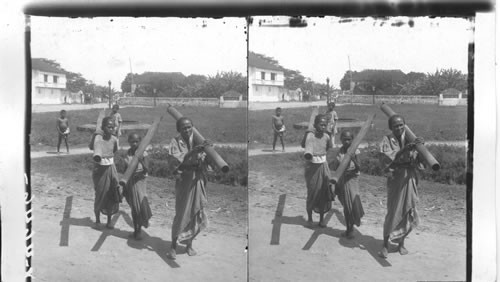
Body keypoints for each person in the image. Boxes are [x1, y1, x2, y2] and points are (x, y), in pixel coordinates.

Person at [378, 115, 425, 258]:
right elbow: (387, 160)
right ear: (390, 127)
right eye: (395, 126)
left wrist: (421, 147)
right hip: (396, 178)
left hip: (410, 177)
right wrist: (404, 150)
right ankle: (385, 245)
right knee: (393, 211)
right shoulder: (386, 140)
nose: (398, 128)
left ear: (405, 125)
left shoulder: (411, 138)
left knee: (408, 211)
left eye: (400, 125)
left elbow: (421, 161)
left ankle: (401, 243)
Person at [167, 117, 212, 260]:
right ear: (179, 129)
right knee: (181, 213)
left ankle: (189, 245)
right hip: (184, 181)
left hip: (197, 179)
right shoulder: (175, 142)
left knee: (195, 213)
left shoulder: (198, 140)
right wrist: (192, 153)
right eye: (183, 128)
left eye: (189, 127)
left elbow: (207, 161)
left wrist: (209, 150)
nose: (186, 130)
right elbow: (176, 163)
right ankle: (173, 247)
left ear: (193, 126)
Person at [330, 130, 364, 239]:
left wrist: (352, 157)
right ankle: (349, 229)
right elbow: (336, 166)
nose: (347, 141)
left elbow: (359, 167)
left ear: (352, 140)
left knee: (352, 205)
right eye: (344, 139)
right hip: (342, 180)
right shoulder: (340, 151)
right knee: (346, 206)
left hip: (351, 181)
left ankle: (351, 229)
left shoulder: (355, 151)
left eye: (349, 139)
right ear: (341, 140)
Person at [89, 117, 121, 230]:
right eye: (108, 126)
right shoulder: (98, 138)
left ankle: (108, 221)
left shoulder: (114, 139)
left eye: (113, 127)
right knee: (100, 194)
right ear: (103, 128)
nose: (111, 129)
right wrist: (94, 136)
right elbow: (90, 147)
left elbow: (115, 150)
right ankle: (97, 220)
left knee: (111, 194)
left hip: (110, 169)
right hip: (99, 170)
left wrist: (108, 158)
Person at [303, 114, 334, 227]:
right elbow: (304, 145)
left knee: (323, 193)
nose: (323, 126)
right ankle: (310, 218)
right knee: (312, 192)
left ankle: (321, 219)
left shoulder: (326, 136)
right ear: (315, 125)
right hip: (311, 167)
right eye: (321, 124)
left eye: (324, 125)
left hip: (323, 167)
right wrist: (306, 134)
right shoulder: (310, 136)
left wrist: (329, 134)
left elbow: (328, 147)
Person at [122, 133, 152, 240]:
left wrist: (140, 160)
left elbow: (147, 169)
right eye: (132, 141)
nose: (134, 143)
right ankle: (136, 230)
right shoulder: (128, 153)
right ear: (129, 142)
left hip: (140, 182)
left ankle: (139, 230)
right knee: (133, 207)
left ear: (140, 142)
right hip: (130, 182)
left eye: (136, 141)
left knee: (139, 206)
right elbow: (125, 168)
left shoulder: (143, 153)